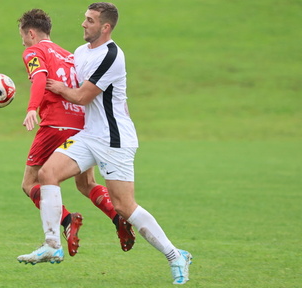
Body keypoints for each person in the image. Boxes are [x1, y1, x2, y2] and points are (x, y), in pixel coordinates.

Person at [17, 3, 192, 285]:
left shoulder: (113, 55)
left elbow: (82, 96)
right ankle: (51, 245)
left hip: (114, 139)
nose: (83, 24)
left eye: (90, 20)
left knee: (125, 206)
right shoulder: (80, 52)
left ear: (105, 27)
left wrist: (57, 89)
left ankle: (175, 255)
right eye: (85, 19)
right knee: (47, 174)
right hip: (88, 134)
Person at [16, 8, 135, 258]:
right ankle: (117, 218)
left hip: (54, 125)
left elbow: (39, 80)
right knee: (86, 183)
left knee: (30, 183)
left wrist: (31, 109)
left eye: (23, 36)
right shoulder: (68, 54)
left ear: (30, 33)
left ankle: (67, 221)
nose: (23, 41)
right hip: (81, 125)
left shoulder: (33, 51)